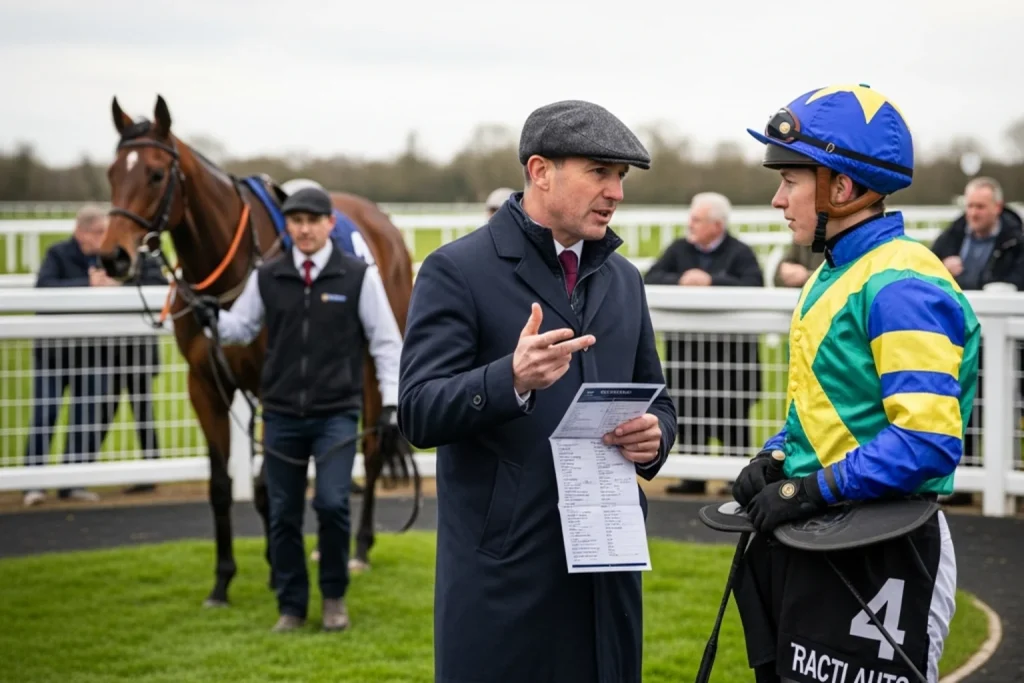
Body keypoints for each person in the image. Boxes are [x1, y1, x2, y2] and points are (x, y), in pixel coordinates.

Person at [398, 99, 678, 683]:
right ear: (540, 171)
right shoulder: (457, 269)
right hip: (507, 568)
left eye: (620, 177)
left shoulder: (625, 278)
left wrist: (655, 437)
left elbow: (658, 401)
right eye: (599, 172)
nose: (616, 192)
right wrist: (511, 379)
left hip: (609, 560)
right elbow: (419, 411)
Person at [731, 84, 981, 683]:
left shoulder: (901, 283)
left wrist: (806, 491)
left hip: (888, 543)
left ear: (841, 188)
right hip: (831, 531)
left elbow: (925, 442)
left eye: (790, 180)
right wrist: (778, 456)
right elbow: (828, 408)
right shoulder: (837, 270)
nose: (776, 198)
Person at [192, 186, 404, 633]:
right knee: (283, 513)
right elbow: (239, 327)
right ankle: (290, 605)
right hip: (282, 416)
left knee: (331, 504)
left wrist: (389, 404)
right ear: (288, 227)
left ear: (330, 224)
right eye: (296, 222)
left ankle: (332, 598)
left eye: (313, 221)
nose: (304, 229)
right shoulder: (267, 277)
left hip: (337, 416)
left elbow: (387, 343)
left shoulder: (358, 276)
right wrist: (210, 316)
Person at [22, 205, 164, 506]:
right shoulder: (58, 254)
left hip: (93, 354)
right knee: (45, 415)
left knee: (84, 418)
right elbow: (43, 289)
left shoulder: (111, 256)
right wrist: (87, 285)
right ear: (81, 232)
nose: (104, 237)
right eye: (99, 232)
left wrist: (115, 285)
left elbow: (151, 281)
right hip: (54, 355)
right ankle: (32, 484)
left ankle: (73, 482)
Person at [644, 191, 764, 496]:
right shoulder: (678, 249)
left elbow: (754, 285)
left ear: (717, 225)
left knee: (733, 418)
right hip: (688, 355)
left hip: (731, 360)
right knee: (688, 411)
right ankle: (692, 479)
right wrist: (682, 280)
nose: (691, 224)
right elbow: (651, 276)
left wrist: (712, 282)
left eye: (697, 220)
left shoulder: (741, 252)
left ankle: (735, 478)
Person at [930, 176, 1024, 504]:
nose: (973, 212)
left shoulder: (1017, 239)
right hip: (959, 338)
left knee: (1008, 409)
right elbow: (924, 272)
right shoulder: (952, 237)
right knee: (961, 405)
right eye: (970, 206)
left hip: (1007, 343)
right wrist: (942, 269)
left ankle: (1012, 479)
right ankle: (962, 483)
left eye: (980, 206)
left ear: (997, 207)